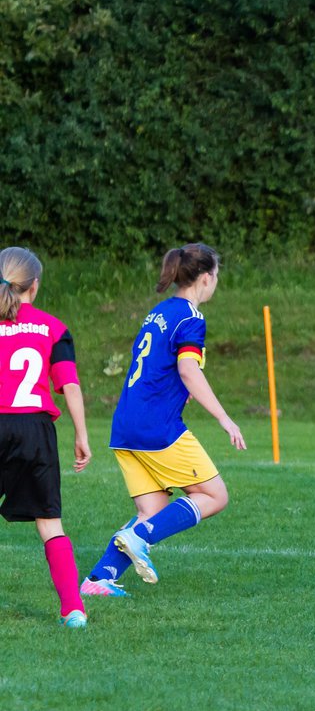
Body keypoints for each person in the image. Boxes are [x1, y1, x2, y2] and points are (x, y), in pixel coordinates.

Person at [80, 243, 246, 596]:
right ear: (205, 278)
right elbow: (188, 370)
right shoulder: (190, 318)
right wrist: (224, 418)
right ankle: (137, 538)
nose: (215, 282)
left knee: (151, 510)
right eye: (215, 276)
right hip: (157, 427)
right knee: (215, 496)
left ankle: (98, 580)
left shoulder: (159, 312)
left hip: (125, 425)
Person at [0, 247, 91, 627]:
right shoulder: (54, 328)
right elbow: (68, 385)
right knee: (50, 522)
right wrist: (81, 435)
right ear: (34, 286)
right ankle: (73, 609)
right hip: (35, 430)